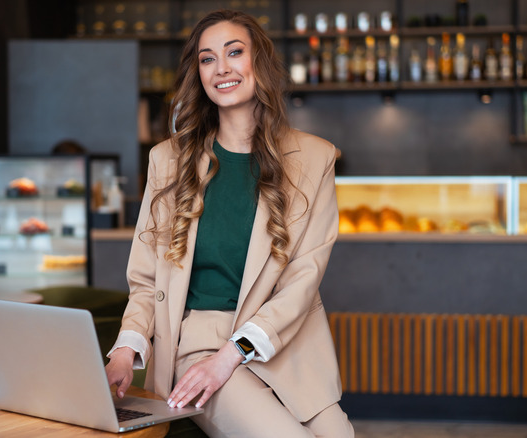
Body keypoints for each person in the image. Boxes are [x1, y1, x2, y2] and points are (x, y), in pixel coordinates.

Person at [105, 9, 353, 437]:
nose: (221, 68)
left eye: (234, 52)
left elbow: (303, 280)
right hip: (197, 345)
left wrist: (232, 355)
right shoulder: (167, 161)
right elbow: (146, 280)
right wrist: (126, 350)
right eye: (207, 58)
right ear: (197, 72)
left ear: (259, 62)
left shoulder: (316, 158)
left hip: (285, 345)